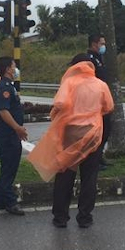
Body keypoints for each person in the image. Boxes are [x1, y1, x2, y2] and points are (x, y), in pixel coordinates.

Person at [29, 55, 114, 228]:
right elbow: (109, 107)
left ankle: (60, 217)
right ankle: (85, 217)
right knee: (89, 176)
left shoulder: (69, 83)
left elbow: (59, 103)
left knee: (65, 174)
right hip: (93, 133)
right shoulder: (100, 84)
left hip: (70, 132)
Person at [0, 56, 28, 215]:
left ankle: (0, 199)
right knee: (10, 167)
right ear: (7, 69)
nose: (15, 69)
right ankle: (10, 202)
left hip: (9, 133)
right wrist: (17, 128)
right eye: (14, 66)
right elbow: (3, 111)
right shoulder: (4, 87)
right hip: (8, 134)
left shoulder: (8, 85)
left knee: (7, 166)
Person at [86, 33, 112, 169]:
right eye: (102, 43)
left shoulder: (99, 58)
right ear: (94, 44)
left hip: (102, 99)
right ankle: (94, 160)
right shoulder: (89, 59)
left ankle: (99, 156)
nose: (103, 46)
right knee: (98, 131)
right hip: (95, 101)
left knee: (106, 129)